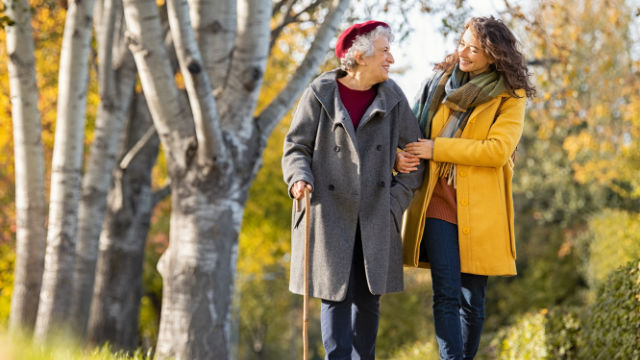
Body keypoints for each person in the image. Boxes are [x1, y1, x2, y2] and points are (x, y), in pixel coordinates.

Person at [395, 16, 536, 360]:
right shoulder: (440, 84)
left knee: (473, 299)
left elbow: (496, 150)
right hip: (436, 200)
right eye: (462, 43)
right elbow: (411, 129)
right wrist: (401, 153)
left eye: (474, 48)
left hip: (482, 209)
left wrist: (437, 149)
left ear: (494, 55)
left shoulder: (510, 97)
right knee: (446, 293)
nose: (464, 52)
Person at [282, 20, 424, 359]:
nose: (391, 58)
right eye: (385, 51)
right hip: (328, 212)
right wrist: (299, 178)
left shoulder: (393, 98)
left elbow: (417, 154)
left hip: (376, 212)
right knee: (335, 296)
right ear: (359, 55)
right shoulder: (320, 92)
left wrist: (395, 201)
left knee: (368, 299)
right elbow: (295, 147)